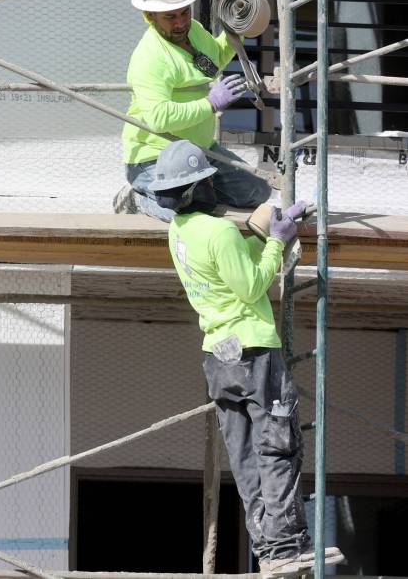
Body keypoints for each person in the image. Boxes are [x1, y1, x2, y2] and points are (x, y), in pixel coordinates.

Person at [149, 139, 344, 576]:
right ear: (197, 187)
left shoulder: (179, 231)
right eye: (207, 180)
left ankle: (270, 551)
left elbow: (230, 272)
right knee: (277, 447)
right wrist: (277, 241)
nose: (214, 185)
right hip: (253, 349)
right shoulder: (217, 231)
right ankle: (288, 545)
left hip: (219, 358)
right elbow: (253, 287)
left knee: (245, 456)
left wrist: (262, 238)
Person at [115, 0, 271, 222]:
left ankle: (195, 192)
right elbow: (159, 118)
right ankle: (137, 197)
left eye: (184, 12)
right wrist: (210, 104)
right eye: (171, 16)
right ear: (150, 15)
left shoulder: (194, 31)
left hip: (199, 150)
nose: (181, 22)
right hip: (153, 156)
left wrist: (235, 32)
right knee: (182, 211)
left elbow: (215, 59)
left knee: (257, 191)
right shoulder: (149, 58)